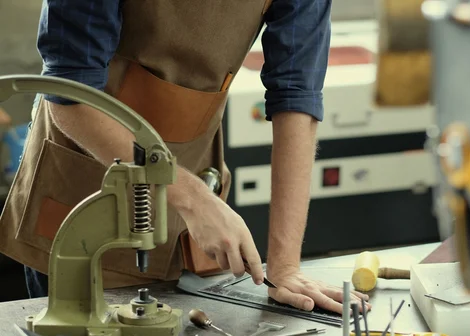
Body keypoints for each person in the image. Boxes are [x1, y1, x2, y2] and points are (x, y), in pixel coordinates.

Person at [0, 0, 369, 314]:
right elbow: (71, 97)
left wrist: (285, 267)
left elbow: (296, 97)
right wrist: (192, 199)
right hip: (83, 180)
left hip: (191, 187)